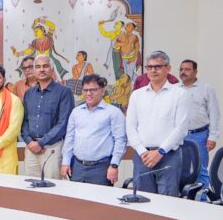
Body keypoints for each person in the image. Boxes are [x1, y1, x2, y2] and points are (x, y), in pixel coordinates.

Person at [126, 51, 190, 196]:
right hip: (142, 156)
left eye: (158, 67)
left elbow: (181, 128)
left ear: (168, 68)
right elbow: (130, 126)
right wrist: (143, 152)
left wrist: (160, 151)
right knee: (142, 200)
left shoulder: (180, 94)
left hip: (168, 156)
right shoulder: (137, 95)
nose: (153, 71)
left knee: (167, 202)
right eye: (149, 67)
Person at [60, 75, 127, 186]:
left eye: (93, 90)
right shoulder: (76, 112)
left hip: (101, 168)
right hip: (77, 167)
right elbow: (69, 138)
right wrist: (65, 162)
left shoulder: (114, 112)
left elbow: (120, 140)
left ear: (102, 91)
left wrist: (114, 165)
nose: (88, 93)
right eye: (85, 90)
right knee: (76, 201)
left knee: (100, 201)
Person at [21, 55, 75, 179]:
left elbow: (63, 123)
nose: (41, 70)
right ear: (34, 71)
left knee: (53, 188)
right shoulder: (29, 93)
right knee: (30, 186)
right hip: (31, 149)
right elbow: (24, 121)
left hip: (52, 148)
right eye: (38, 67)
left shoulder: (64, 92)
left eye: (45, 66)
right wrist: (30, 142)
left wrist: (41, 142)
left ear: (52, 69)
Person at [179, 59, 219, 189]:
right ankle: (184, 197)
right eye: (181, 69)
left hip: (199, 135)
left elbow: (214, 113)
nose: (183, 72)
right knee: (182, 168)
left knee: (200, 168)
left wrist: (212, 137)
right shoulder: (175, 89)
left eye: (187, 69)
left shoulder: (206, 88)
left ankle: (202, 198)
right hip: (179, 136)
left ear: (195, 72)